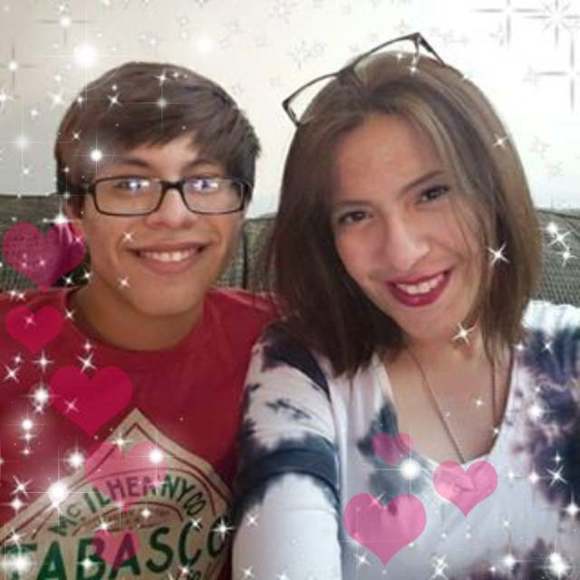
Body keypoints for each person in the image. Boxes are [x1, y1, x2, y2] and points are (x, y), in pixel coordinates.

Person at [233, 33, 580, 579]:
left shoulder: (570, 353)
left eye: (432, 194)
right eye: (356, 215)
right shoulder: (300, 370)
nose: (402, 252)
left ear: (492, 192)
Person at [0, 62, 272, 579]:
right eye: (129, 184)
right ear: (76, 210)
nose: (173, 215)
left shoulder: (281, 344)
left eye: (205, 181)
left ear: (241, 206)